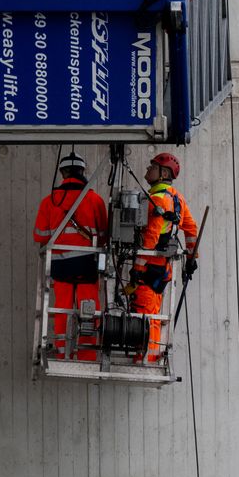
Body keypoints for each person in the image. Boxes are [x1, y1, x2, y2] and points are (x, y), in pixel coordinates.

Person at [32, 151, 109, 362]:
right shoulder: (94, 200)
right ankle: (87, 352)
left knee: (62, 308)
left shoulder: (49, 201)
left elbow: (40, 236)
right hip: (87, 265)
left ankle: (60, 347)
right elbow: (104, 236)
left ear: (63, 173)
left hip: (60, 266)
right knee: (89, 308)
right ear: (83, 172)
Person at [126, 150, 199, 362]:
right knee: (154, 313)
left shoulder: (158, 199)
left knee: (144, 313)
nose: (147, 170)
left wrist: (137, 268)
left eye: (152, 167)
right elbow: (191, 229)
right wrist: (192, 258)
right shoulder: (178, 199)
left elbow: (150, 237)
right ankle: (151, 355)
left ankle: (146, 359)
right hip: (163, 268)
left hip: (150, 267)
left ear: (163, 174)